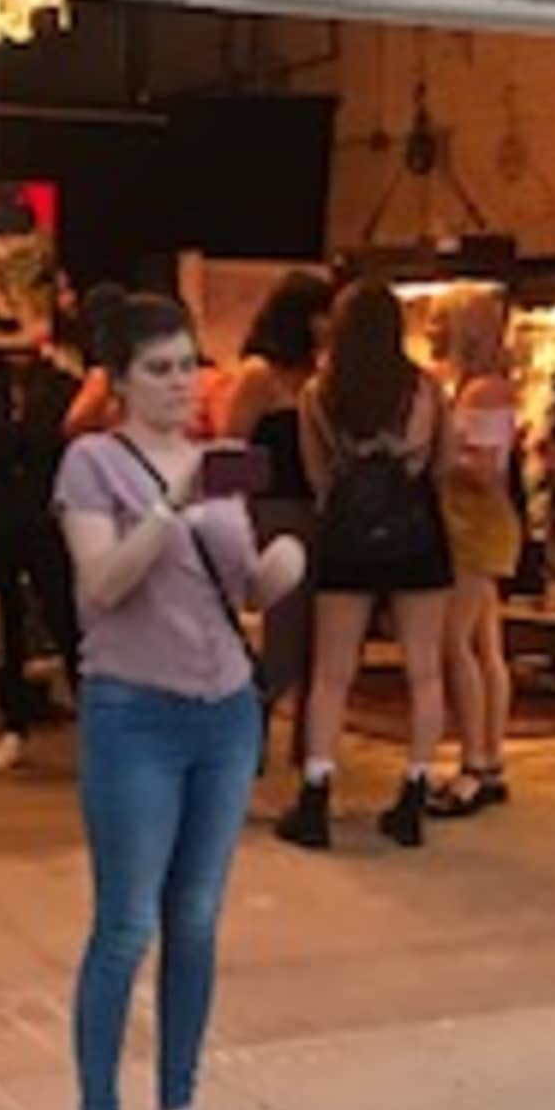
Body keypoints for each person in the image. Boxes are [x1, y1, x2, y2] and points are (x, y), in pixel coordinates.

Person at [51, 291, 306, 1110]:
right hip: (136, 711)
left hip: (223, 708)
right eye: (156, 368)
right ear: (118, 379)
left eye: (188, 364)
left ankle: (180, 1104)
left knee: (194, 918)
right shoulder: (93, 465)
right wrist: (169, 506)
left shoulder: (218, 466)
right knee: (126, 923)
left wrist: (282, 570)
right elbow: (103, 585)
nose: (177, 384)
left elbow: (236, 583)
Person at [278, 279, 453, 851]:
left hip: (346, 537)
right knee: (424, 670)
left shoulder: (316, 395)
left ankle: (316, 791)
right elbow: (444, 466)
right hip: (416, 533)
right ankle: (413, 791)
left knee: (332, 672)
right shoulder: (426, 390)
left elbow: (317, 478)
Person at [0, 315, 88, 774]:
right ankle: (13, 727)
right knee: (3, 626)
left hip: (50, 518)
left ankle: (98, 725)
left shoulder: (64, 386)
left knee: (68, 617)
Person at [221, 270, 331, 765]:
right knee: (285, 634)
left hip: (318, 510)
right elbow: (231, 445)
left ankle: (307, 748)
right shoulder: (259, 375)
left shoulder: (317, 376)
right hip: (274, 510)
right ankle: (247, 725)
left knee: (319, 635)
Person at [429, 288, 525, 816]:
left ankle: (473, 762)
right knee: (487, 645)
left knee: (456, 643)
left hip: (473, 524)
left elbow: (486, 470)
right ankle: (489, 759)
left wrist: (439, 453)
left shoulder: (483, 392)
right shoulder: (480, 388)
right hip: (476, 524)